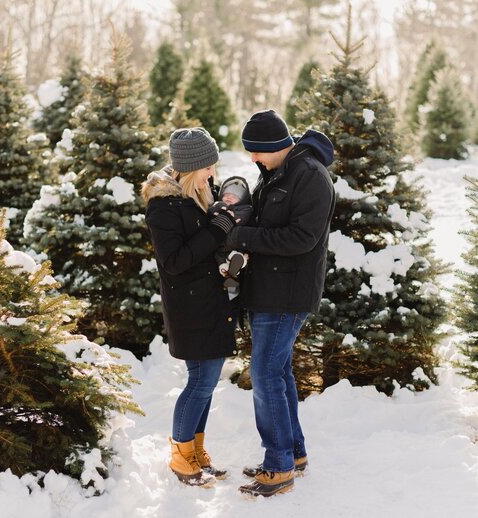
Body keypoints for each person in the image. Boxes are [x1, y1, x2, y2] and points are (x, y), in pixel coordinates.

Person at [227, 109, 335, 497]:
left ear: (276, 146)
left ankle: (279, 468)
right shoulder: (278, 172)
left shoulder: (309, 176)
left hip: (287, 293)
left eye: (256, 151)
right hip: (269, 290)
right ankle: (294, 454)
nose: (252, 159)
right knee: (279, 372)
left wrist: (243, 237)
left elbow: (300, 238)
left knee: (266, 375)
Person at [141, 127, 245, 487]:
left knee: (206, 381)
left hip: (210, 303)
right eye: (208, 168)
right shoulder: (163, 209)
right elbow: (175, 261)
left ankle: (196, 450)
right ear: (190, 168)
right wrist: (216, 230)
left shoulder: (199, 196)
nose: (213, 174)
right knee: (200, 382)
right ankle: (180, 455)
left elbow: (206, 247)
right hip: (190, 309)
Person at [214, 176, 253, 296]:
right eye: (226, 194)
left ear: (242, 199)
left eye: (235, 196)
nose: (229, 197)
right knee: (220, 262)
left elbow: (238, 220)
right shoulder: (216, 205)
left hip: (234, 246)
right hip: (219, 247)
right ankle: (227, 274)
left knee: (235, 258)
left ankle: (233, 280)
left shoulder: (245, 209)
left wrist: (224, 214)